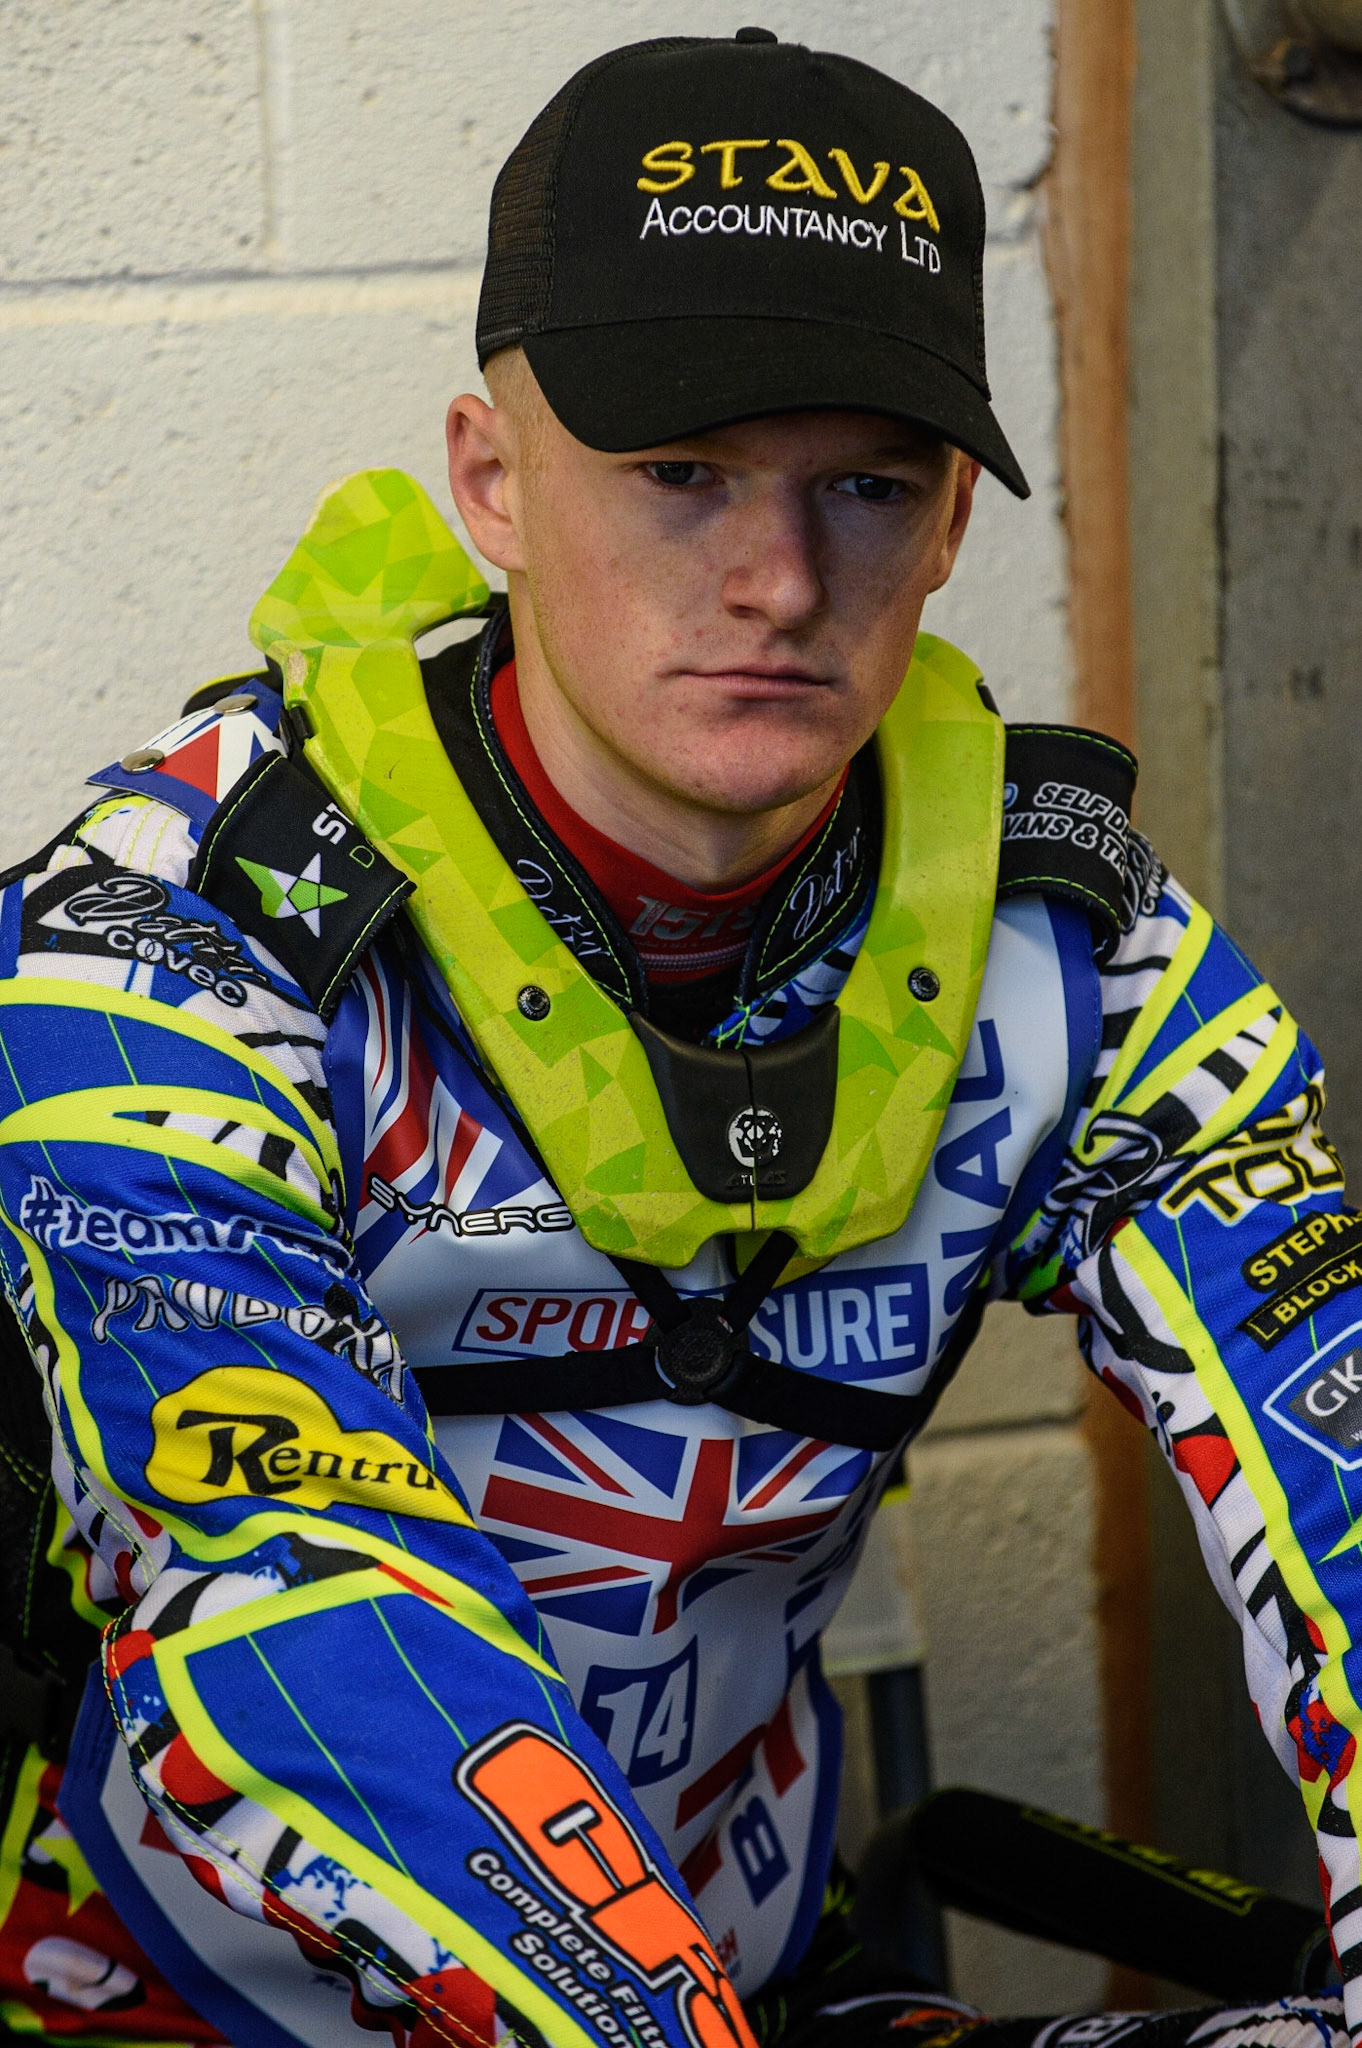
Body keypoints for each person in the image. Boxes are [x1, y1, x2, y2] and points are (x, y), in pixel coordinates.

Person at [0, 27, 1356, 2048]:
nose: (780, 579)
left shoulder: (1076, 936)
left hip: (758, 1985)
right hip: (195, 2005)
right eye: (680, 469)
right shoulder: (163, 921)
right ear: (491, 481)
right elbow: (280, 1571)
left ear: (959, 515)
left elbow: (1336, 1428)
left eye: (868, 486)